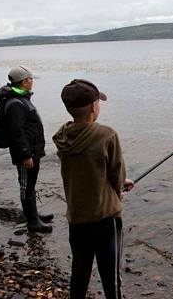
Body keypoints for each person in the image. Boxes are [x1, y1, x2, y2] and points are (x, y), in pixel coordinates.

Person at [52, 79, 134, 299]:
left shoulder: (63, 136)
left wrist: (118, 183)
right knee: (110, 273)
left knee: (80, 269)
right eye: (98, 101)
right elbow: (116, 175)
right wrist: (120, 188)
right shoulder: (107, 135)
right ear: (93, 107)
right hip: (105, 218)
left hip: (77, 218)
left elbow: (87, 169)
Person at [0, 65, 53, 233]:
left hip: (32, 150)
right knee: (26, 186)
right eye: (30, 79)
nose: (32, 81)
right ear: (24, 81)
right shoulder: (14, 103)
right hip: (26, 154)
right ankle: (33, 222)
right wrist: (26, 155)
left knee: (31, 184)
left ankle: (34, 215)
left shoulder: (20, 97)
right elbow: (16, 132)